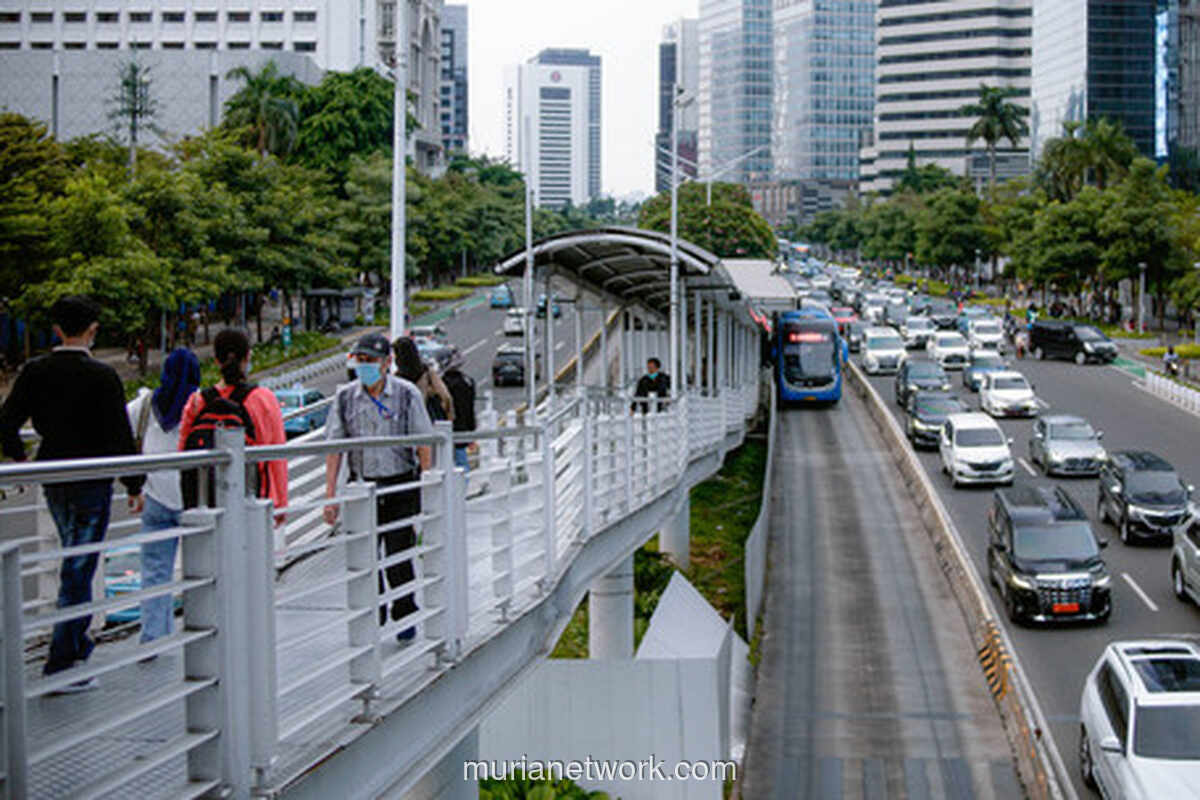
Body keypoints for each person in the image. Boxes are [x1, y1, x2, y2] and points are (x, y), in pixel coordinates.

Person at [0, 295, 145, 689]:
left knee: (73, 560)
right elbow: (120, 436)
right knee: (80, 565)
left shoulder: (35, 371)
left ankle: (75, 648)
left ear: (57, 329)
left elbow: (6, 422)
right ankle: (64, 662)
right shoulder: (102, 376)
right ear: (93, 330)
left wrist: (22, 460)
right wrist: (134, 484)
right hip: (92, 478)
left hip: (54, 474)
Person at [323, 333, 434, 641]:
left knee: (399, 552)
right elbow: (334, 449)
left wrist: (425, 484)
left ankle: (405, 615)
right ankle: (373, 615)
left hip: (399, 484)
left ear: (387, 363)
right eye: (359, 361)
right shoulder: (345, 397)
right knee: (365, 556)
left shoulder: (406, 393)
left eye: (370, 361)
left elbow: (423, 442)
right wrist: (329, 496)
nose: (364, 366)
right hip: (362, 485)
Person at [126, 348, 202, 648]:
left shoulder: (144, 404)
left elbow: (122, 437)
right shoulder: (199, 402)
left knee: (155, 573)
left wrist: (134, 486)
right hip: (195, 499)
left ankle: (154, 638)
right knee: (203, 573)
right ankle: (203, 634)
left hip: (154, 497)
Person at [178, 329, 288, 512]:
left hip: (205, 506)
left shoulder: (197, 402)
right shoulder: (263, 399)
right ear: (248, 357)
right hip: (252, 503)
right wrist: (280, 503)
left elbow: (184, 453)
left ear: (216, 360)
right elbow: (276, 457)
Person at [393, 335, 454, 424]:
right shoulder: (427, 372)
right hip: (428, 421)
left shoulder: (396, 379)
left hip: (406, 423)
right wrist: (449, 417)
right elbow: (445, 396)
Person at [440, 352, 477, 473]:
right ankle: (462, 488)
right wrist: (471, 432)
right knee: (462, 464)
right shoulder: (467, 382)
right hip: (462, 429)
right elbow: (470, 410)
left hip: (443, 429)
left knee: (444, 464)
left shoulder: (440, 384)